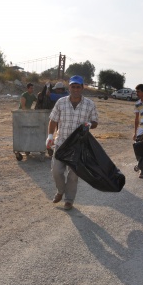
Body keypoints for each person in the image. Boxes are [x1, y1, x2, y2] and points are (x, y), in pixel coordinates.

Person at [46, 75, 99, 210]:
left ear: (82, 88)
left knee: (73, 175)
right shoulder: (61, 102)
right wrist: (50, 135)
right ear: (69, 87)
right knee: (56, 171)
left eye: (78, 87)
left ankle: (69, 200)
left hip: (79, 146)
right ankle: (60, 190)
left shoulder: (89, 104)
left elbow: (95, 122)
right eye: (73, 86)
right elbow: (53, 120)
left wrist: (89, 124)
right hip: (61, 143)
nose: (75, 89)